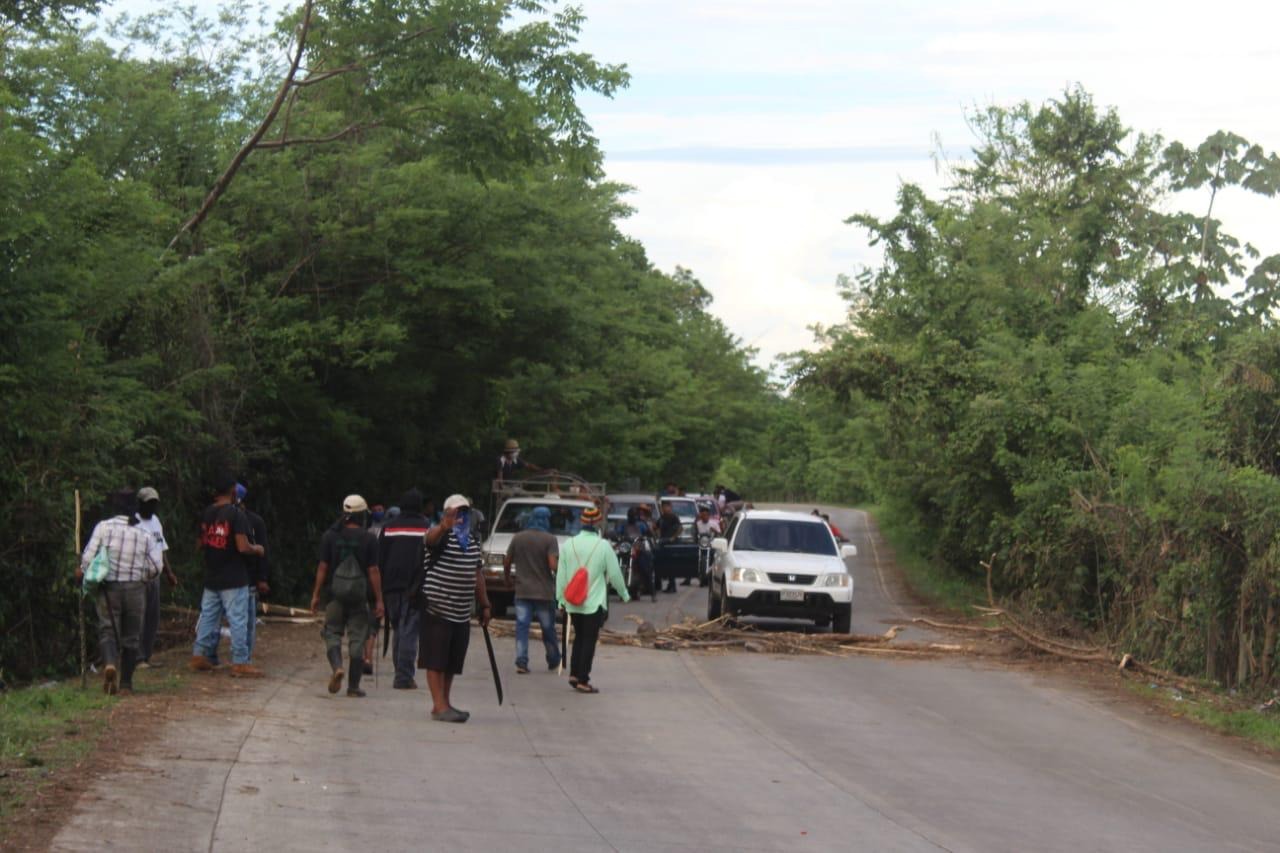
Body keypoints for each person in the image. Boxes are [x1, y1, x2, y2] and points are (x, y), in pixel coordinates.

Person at [78, 489, 162, 695]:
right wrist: (143, 577)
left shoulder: (103, 527)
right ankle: (126, 684)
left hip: (109, 588)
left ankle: (109, 663)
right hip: (135, 589)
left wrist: (82, 571)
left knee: (107, 629)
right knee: (132, 637)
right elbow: (157, 566)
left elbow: (88, 557)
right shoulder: (143, 533)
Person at [418, 494, 492, 723]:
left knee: (451, 661)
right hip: (437, 607)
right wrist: (443, 525)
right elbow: (428, 540)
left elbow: (477, 573)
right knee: (435, 659)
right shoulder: (439, 535)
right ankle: (439, 706)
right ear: (446, 513)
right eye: (456, 512)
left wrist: (485, 604)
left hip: (461, 610)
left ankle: (445, 703)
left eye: (464, 513)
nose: (461, 517)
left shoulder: (471, 540)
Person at [310, 495, 385, 697]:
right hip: (359, 598)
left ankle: (337, 667)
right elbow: (374, 571)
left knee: (332, 632)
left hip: (335, 596)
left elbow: (323, 567)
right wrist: (379, 600)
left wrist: (316, 595)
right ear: (362, 515)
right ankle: (353, 687)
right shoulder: (369, 538)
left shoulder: (330, 536)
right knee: (357, 638)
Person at [191, 476, 265, 678]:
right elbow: (242, 546)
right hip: (234, 576)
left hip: (212, 574)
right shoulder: (235, 514)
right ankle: (241, 662)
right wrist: (257, 549)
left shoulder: (207, 513)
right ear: (233, 492)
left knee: (208, 616)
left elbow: (199, 544)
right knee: (238, 619)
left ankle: (199, 655)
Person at [556, 506, 629, 693]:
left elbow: (561, 576)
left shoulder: (568, 544)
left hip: (572, 602)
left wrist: (560, 600)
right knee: (588, 640)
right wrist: (624, 594)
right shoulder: (603, 545)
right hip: (593, 603)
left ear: (581, 522)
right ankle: (583, 679)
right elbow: (614, 573)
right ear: (597, 523)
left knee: (579, 638)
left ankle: (574, 673)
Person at [377, 488, 431, 689]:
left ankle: (400, 669)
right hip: (414, 586)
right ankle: (404, 676)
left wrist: (379, 589)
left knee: (398, 627)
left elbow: (379, 558)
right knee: (409, 629)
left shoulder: (389, 527)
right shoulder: (426, 528)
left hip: (390, 586)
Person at [504, 506, 560, 674]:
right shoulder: (550, 539)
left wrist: (508, 579)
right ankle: (554, 659)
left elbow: (507, 561)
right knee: (548, 627)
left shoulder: (518, 538)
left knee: (522, 627)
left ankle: (522, 661)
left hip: (522, 591)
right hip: (544, 592)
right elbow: (552, 565)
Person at [134, 487, 178, 669]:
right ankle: (137, 658)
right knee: (139, 617)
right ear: (140, 504)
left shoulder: (156, 521)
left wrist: (169, 572)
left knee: (153, 617)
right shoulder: (133, 522)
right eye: (148, 504)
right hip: (139, 576)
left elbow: (162, 548)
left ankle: (147, 655)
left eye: (154, 504)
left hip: (155, 576)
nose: (152, 507)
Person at [235, 483, 271, 660]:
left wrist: (262, 578)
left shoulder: (255, 522)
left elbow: (263, 551)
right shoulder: (227, 519)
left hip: (249, 578)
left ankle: (245, 657)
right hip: (230, 578)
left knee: (248, 621)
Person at [657, 500, 683, 593]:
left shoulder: (673, 517)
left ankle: (672, 586)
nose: (664, 509)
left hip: (672, 544)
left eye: (665, 507)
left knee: (671, 565)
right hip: (664, 542)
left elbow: (680, 528)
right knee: (666, 565)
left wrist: (673, 537)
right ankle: (670, 585)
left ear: (669, 507)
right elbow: (657, 527)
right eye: (662, 507)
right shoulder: (662, 517)